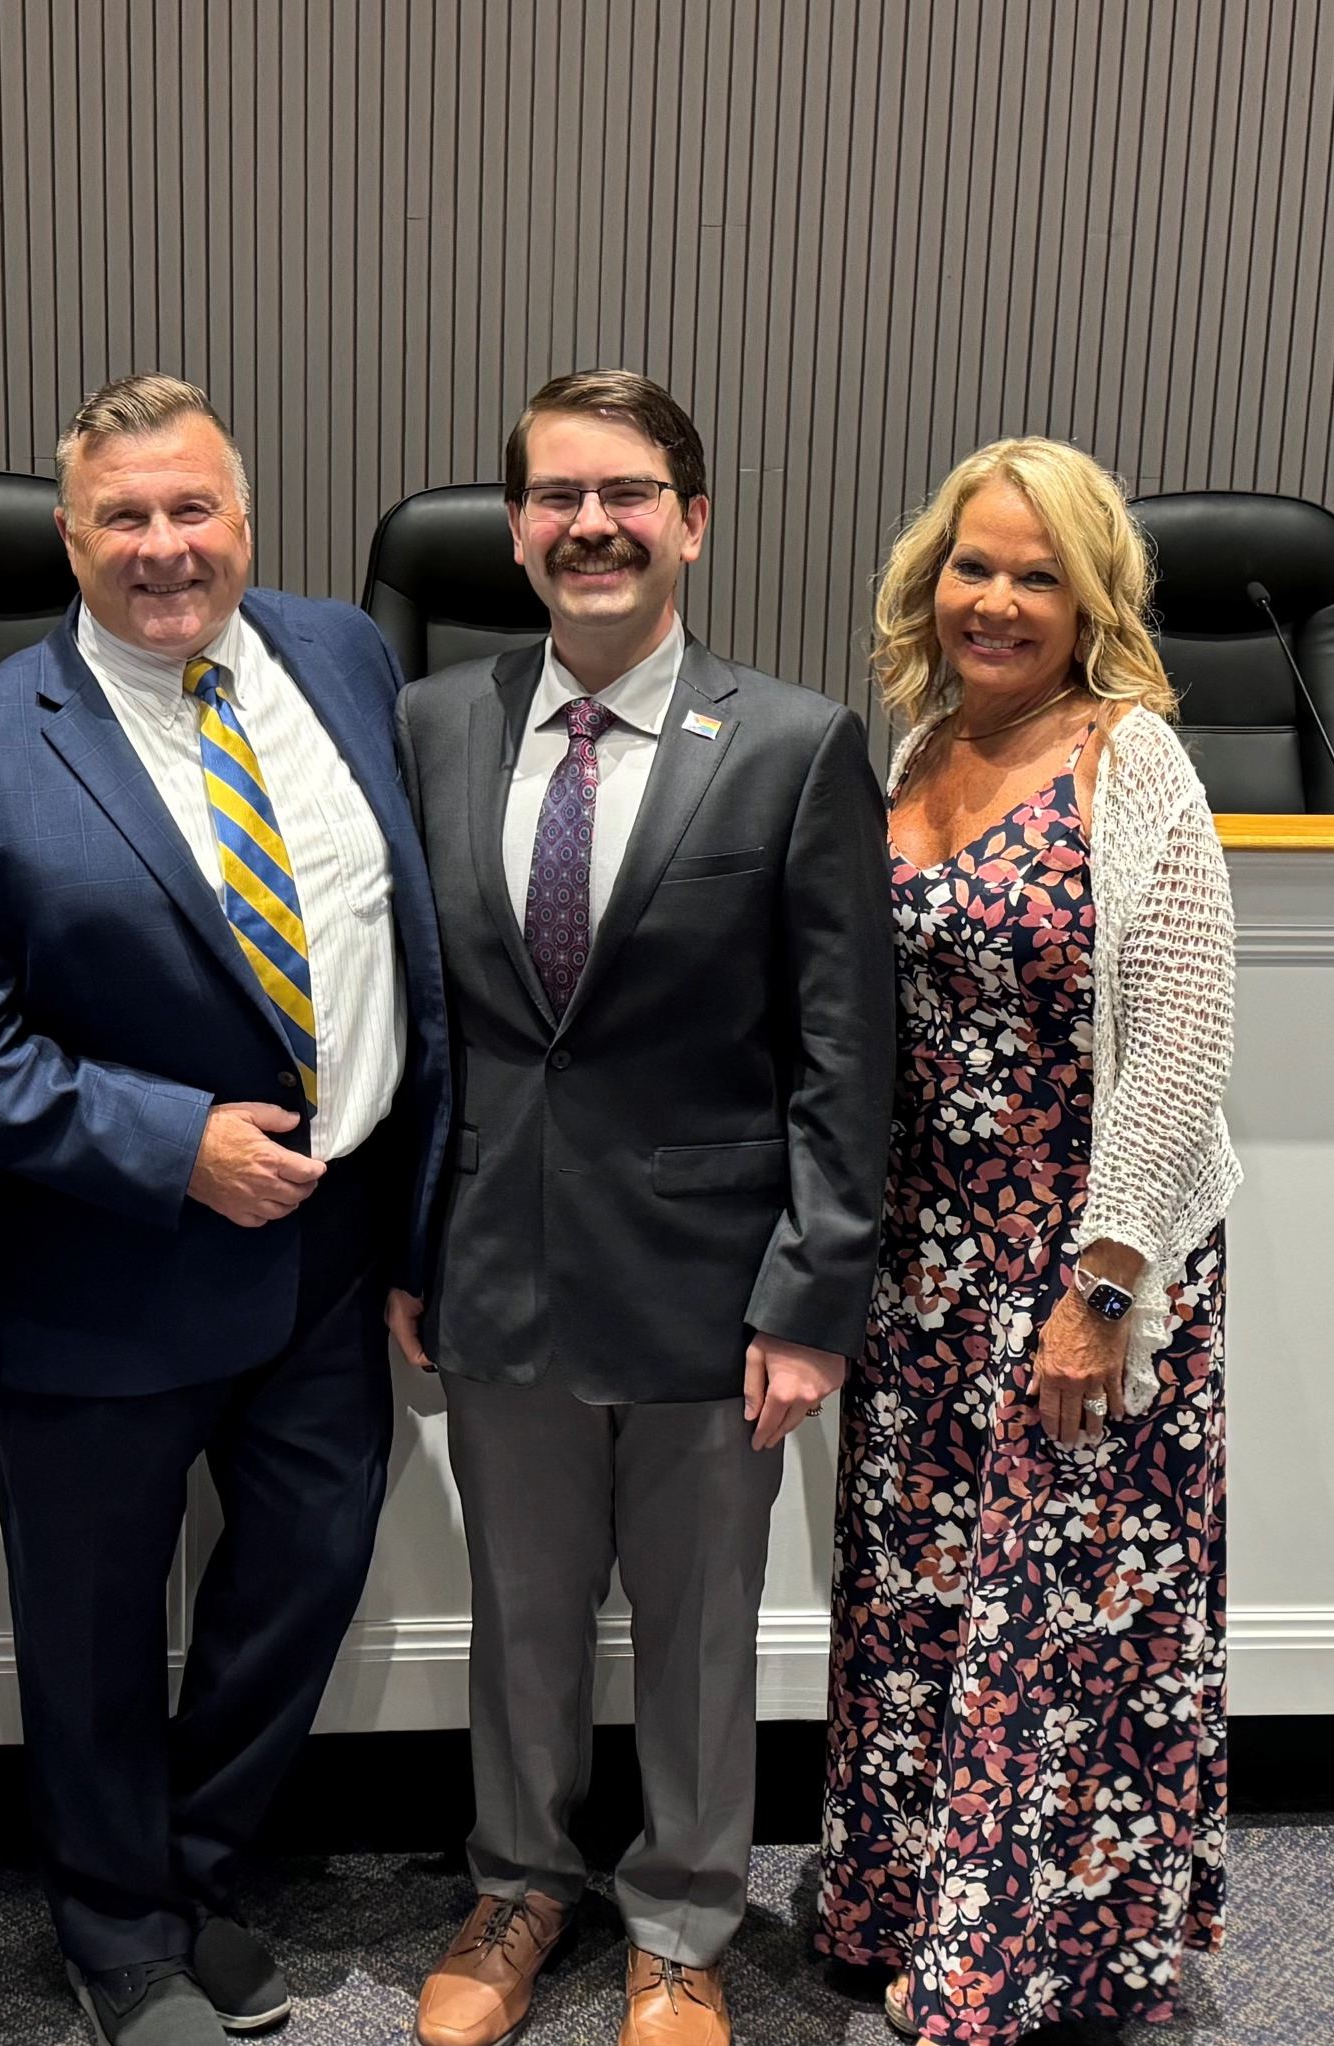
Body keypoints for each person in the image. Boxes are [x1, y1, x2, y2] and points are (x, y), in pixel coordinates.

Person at [0, 375, 453, 2046]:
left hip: (331, 1254)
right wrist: (170, 1140)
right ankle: (119, 1927)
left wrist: (409, 1214)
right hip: (106, 1265)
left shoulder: (340, 655)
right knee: (98, 1622)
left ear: (244, 520)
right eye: (122, 517)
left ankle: (194, 1868)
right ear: (69, 538)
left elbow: (383, 948)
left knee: (309, 1574)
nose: (162, 547)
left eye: (192, 509)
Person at [394, 369, 897, 2046]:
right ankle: (520, 1881)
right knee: (520, 1610)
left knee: (697, 1628)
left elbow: (845, 1047)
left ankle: (680, 1918)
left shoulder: (797, 741)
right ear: (517, 525)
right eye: (553, 495)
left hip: (712, 1279)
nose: (588, 524)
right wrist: (412, 1246)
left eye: (625, 493)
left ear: (692, 518)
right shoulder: (434, 724)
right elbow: (421, 1021)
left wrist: (815, 1292)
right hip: (498, 1263)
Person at [813, 438, 1239, 2044]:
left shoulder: (1128, 762)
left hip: (1078, 1276)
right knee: (922, 1596)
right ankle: (904, 1894)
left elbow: (1187, 1027)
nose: (997, 599)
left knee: (1052, 1613)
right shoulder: (917, 744)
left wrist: (1108, 1278)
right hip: (923, 1271)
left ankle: (1023, 1949)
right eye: (974, 566)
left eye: (1037, 573)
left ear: (1090, 598)